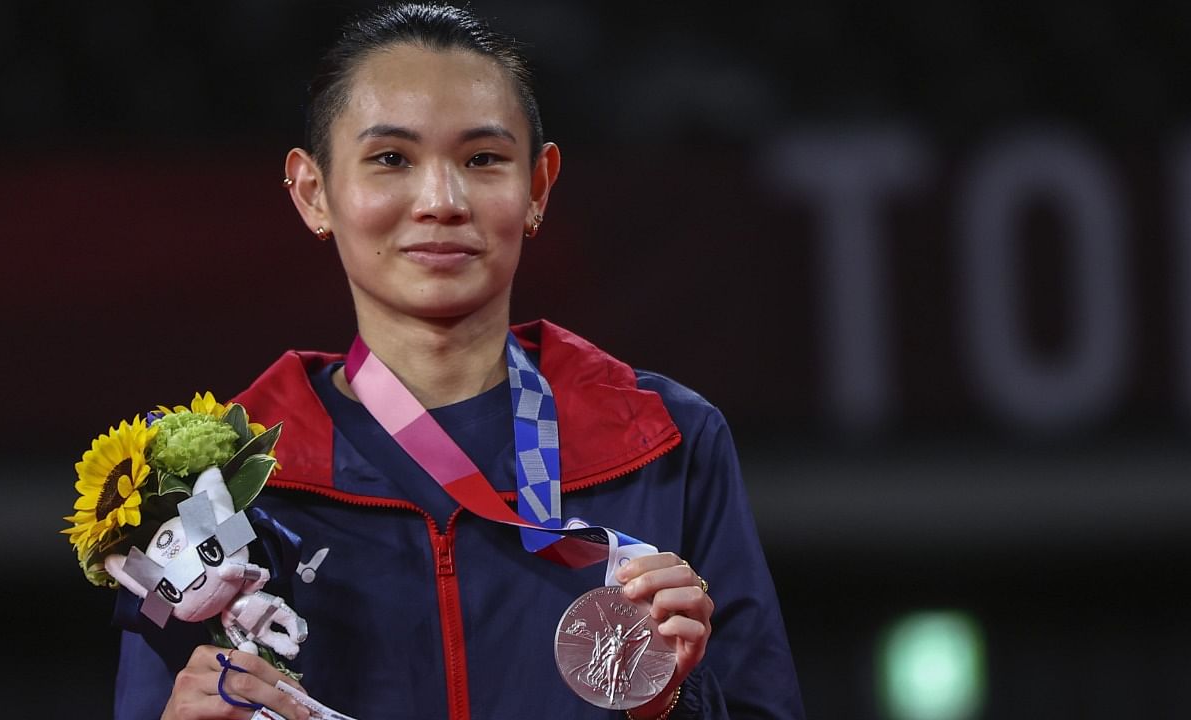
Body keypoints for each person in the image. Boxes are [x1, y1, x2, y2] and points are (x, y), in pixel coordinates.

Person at [113, 3, 805, 719]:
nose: (441, 200)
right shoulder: (215, 492)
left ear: (537, 188)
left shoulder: (667, 444)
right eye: (391, 159)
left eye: (482, 159)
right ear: (314, 193)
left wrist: (671, 704)